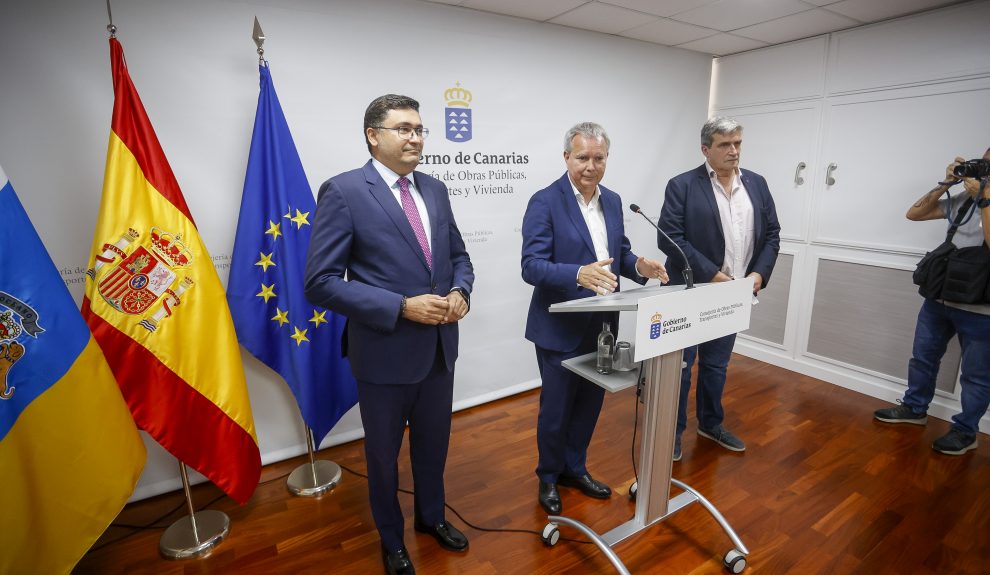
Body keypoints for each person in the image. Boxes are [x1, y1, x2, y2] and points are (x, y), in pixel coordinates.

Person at [304, 94, 474, 575]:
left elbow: (458, 256)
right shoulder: (343, 191)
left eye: (419, 129)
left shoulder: (436, 189)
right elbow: (320, 283)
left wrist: (461, 291)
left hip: (439, 349)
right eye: (403, 128)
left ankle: (431, 519)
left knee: (433, 446)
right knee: (382, 457)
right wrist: (400, 307)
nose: (415, 137)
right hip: (383, 355)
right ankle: (392, 540)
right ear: (373, 136)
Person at [521, 122, 668, 515]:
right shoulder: (545, 201)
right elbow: (531, 266)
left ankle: (575, 467)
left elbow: (617, 252)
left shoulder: (614, 200)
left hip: (604, 323)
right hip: (559, 326)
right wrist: (577, 273)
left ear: (607, 159)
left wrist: (640, 265)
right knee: (556, 407)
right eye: (582, 157)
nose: (590, 165)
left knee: (589, 403)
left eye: (598, 158)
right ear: (566, 156)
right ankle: (549, 476)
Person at [657, 116, 780, 461]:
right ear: (705, 149)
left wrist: (759, 275)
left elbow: (772, 235)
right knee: (681, 367)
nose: (734, 151)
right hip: (691, 292)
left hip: (736, 293)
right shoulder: (682, 185)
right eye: (725, 144)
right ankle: (673, 432)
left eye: (738, 143)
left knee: (716, 366)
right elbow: (669, 239)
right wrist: (712, 275)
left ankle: (710, 423)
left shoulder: (756, 184)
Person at [873, 148, 990, 455]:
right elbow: (915, 213)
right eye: (984, 163)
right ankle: (914, 409)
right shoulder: (964, 200)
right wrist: (946, 184)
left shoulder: (985, 198)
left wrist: (987, 195)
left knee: (976, 375)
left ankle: (966, 431)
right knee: (923, 357)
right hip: (941, 297)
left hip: (981, 309)